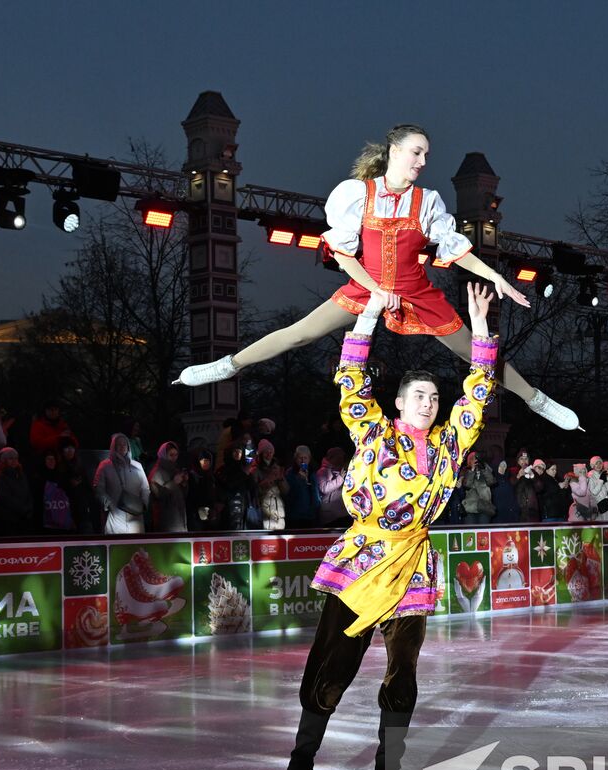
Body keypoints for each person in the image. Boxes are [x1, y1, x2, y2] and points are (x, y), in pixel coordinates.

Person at [175, 124, 580, 431]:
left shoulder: (427, 203)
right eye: (417, 152)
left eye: (426, 155)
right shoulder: (356, 194)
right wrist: (375, 291)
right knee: (300, 333)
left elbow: (456, 250)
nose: (423, 162)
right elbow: (344, 255)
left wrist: (497, 277)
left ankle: (536, 400)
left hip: (417, 292)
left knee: (476, 353)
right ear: (394, 151)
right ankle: (228, 365)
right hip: (366, 286)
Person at [282, 282, 498, 770]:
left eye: (433, 397)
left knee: (402, 679)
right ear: (398, 402)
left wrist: (481, 332)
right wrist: (370, 313)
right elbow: (351, 381)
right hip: (362, 563)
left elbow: (477, 393)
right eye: (417, 396)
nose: (428, 403)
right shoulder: (375, 435)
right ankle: (300, 768)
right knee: (332, 668)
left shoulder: (450, 444)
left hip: (411, 570)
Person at [96, 433, 148, 534]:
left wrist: (144, 504)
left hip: (136, 517)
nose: (122, 447)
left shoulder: (137, 466)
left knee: (135, 547)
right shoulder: (105, 466)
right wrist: (109, 504)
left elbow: (145, 488)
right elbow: (99, 489)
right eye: (119, 444)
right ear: (113, 446)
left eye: (124, 444)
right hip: (116, 516)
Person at [0, 447, 34, 536]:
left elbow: (28, 493)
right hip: (8, 520)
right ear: (4, 460)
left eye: (15, 458)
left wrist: (28, 508)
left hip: (23, 518)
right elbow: (5, 498)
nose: (14, 461)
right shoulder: (0, 477)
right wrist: (22, 509)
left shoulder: (21, 475)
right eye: (10, 458)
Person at [148, 441, 189, 533]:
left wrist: (184, 484)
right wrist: (173, 482)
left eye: (176, 455)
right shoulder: (157, 472)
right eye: (171, 455)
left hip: (178, 516)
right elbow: (158, 494)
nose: (174, 458)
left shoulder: (175, 469)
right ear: (164, 454)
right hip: (166, 519)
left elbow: (182, 495)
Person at [216, 445, 256, 531]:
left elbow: (252, 487)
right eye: (235, 451)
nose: (238, 454)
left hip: (245, 508)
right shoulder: (223, 470)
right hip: (228, 510)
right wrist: (245, 473)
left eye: (240, 452)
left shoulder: (244, 468)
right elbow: (229, 484)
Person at [250, 439, 288, 530]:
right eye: (265, 452)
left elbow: (286, 491)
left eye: (271, 452)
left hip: (278, 511)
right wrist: (268, 480)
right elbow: (254, 492)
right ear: (261, 454)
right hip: (263, 511)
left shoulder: (277, 468)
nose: (269, 455)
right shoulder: (255, 470)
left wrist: (281, 479)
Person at [285, 445, 320, 530]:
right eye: (300, 458)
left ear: (309, 459)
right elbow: (289, 494)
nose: (303, 460)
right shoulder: (290, 473)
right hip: (295, 516)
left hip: (310, 516)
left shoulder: (313, 472)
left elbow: (315, 492)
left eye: (305, 458)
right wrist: (299, 480)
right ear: (295, 459)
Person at [458, 449, 496, 525]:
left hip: (485, 506)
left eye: (477, 458)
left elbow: (492, 482)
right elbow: (467, 485)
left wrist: (484, 468)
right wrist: (472, 470)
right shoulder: (465, 471)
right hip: (470, 507)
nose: (475, 460)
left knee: (483, 533)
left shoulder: (486, 469)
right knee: (470, 533)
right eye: (472, 458)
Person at [315, 447, 351, 527]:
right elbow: (324, 488)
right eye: (338, 457)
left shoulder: (341, 471)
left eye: (342, 458)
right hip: (329, 515)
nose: (341, 460)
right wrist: (340, 478)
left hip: (343, 513)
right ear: (331, 457)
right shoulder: (322, 471)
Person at [186, 448, 219, 531]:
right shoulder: (191, 476)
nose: (205, 463)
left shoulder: (211, 476)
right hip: (195, 515)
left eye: (208, 460)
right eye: (202, 460)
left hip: (210, 515)